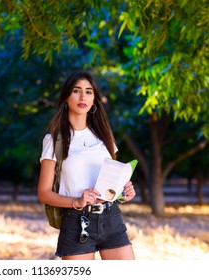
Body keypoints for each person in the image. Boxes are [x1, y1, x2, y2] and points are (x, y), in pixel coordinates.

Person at [37, 70, 136, 260]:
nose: (83, 96)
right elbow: (44, 192)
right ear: (66, 97)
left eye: (89, 92)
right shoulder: (54, 141)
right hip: (76, 222)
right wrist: (76, 201)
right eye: (76, 91)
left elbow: (112, 181)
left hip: (111, 218)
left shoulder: (105, 137)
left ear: (93, 100)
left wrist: (123, 192)